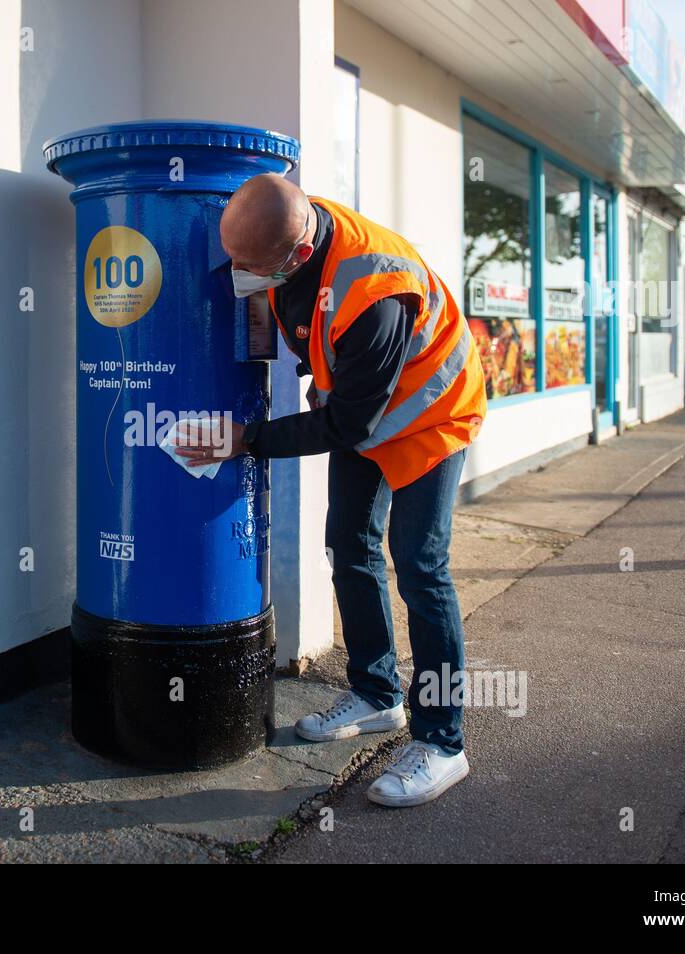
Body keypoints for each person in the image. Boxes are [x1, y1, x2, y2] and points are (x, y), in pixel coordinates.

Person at [175, 174, 487, 807]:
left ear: (293, 254)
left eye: (249, 266)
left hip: (431, 414)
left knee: (422, 570)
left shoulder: (373, 291)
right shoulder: (294, 237)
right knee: (347, 545)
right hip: (366, 409)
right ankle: (377, 695)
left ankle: (443, 741)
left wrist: (248, 438)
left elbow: (349, 423)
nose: (238, 274)